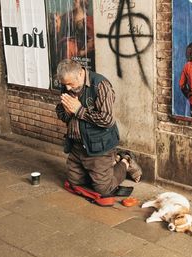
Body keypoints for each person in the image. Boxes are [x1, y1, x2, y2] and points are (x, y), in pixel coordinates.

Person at [55, 59, 142, 196]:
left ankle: (125, 160)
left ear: (80, 74)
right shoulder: (68, 86)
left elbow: (106, 119)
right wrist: (66, 111)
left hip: (98, 146)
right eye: (64, 85)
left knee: (103, 189)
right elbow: (61, 114)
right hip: (77, 146)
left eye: (70, 84)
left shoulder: (100, 85)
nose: (67, 89)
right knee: (74, 182)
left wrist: (78, 110)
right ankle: (104, 167)